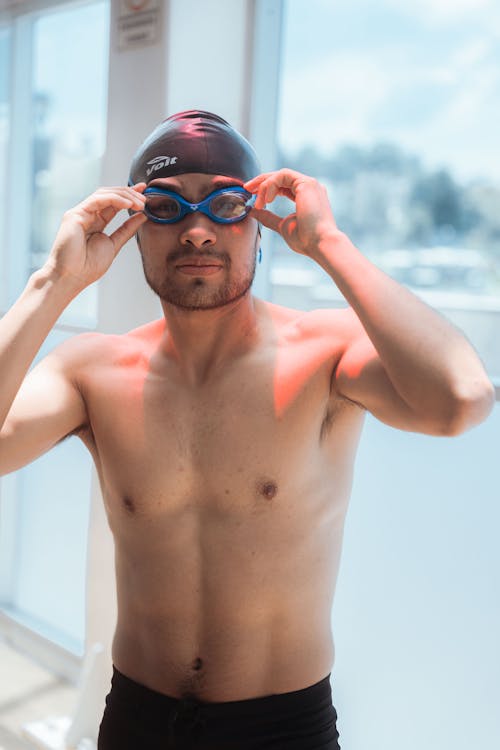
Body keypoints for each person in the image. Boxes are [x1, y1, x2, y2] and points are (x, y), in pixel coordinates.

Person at [0, 110, 494, 750]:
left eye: (226, 205)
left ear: (258, 227)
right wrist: (52, 282)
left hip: (282, 729)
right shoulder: (94, 372)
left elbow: (460, 400)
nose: (198, 231)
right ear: (135, 232)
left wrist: (329, 245)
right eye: (167, 207)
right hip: (137, 722)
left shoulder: (323, 355)